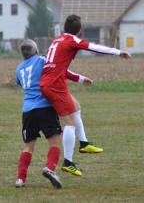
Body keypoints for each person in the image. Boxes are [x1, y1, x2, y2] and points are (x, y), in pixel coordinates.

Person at [40, 14, 132, 177]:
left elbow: (57, 67)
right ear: (80, 31)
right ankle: (68, 162)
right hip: (55, 85)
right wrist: (118, 52)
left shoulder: (57, 40)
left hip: (48, 83)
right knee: (70, 123)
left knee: (76, 107)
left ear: (63, 28)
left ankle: (84, 143)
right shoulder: (71, 41)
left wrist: (80, 79)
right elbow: (94, 47)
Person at [15, 39, 94, 188]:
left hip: (28, 111)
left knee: (28, 146)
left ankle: (20, 179)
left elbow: (21, 83)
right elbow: (61, 70)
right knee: (55, 142)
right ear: (37, 51)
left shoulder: (19, 69)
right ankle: (50, 169)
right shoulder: (43, 60)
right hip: (45, 107)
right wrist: (80, 79)